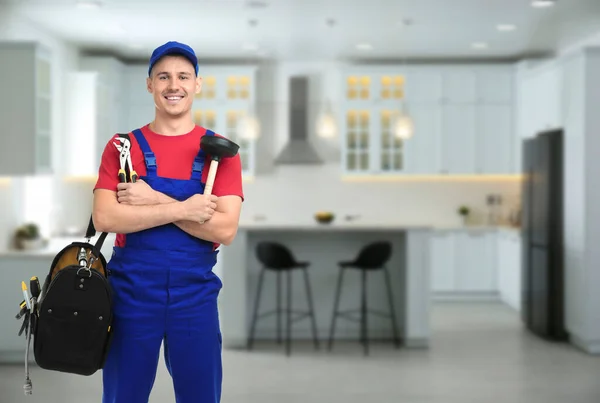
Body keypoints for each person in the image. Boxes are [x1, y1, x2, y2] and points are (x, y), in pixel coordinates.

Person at [92, 41, 244, 403]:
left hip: (195, 294)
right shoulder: (122, 147)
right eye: (163, 77)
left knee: (200, 396)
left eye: (182, 76)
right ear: (149, 85)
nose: (173, 85)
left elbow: (225, 229)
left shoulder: (221, 153)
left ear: (197, 84)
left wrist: (154, 200)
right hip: (130, 293)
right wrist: (185, 209)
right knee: (122, 396)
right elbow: (106, 217)